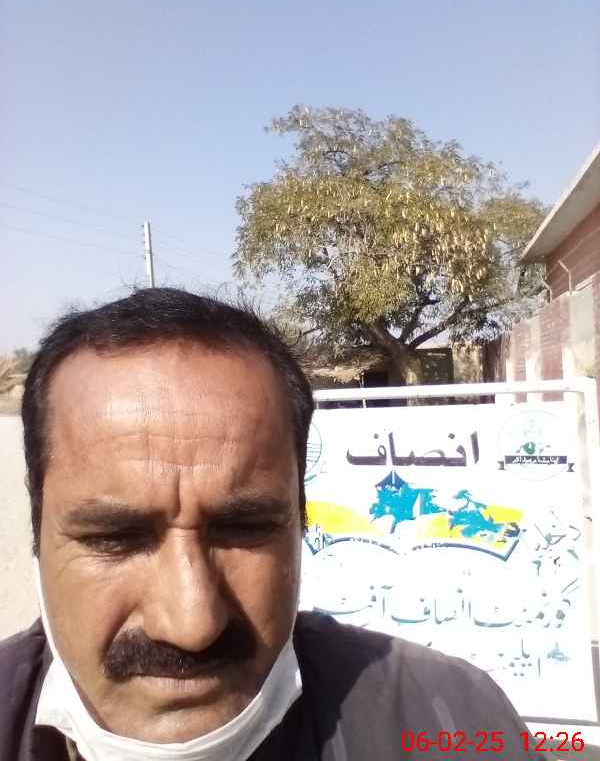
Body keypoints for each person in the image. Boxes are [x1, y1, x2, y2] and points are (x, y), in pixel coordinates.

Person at [0, 288, 545, 760]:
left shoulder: (451, 719)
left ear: (300, 522)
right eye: (115, 539)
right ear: (39, 529)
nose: (192, 623)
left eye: (243, 529)